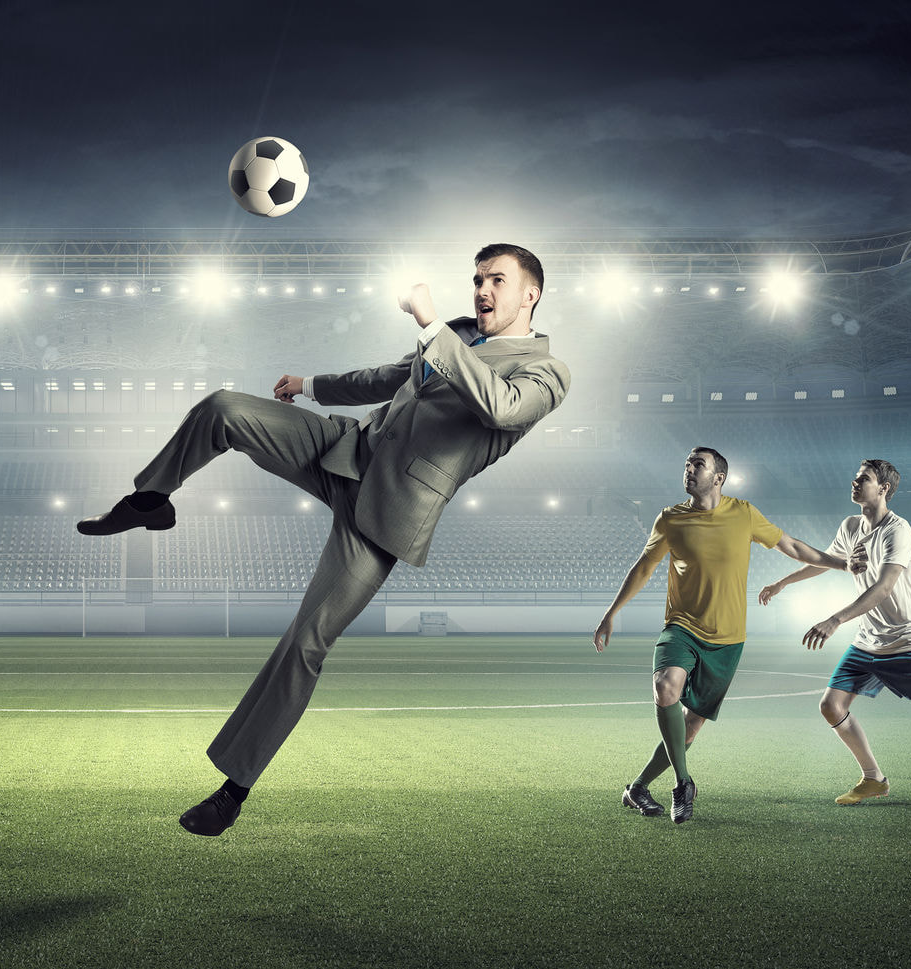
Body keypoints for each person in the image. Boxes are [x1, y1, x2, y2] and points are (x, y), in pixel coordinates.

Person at [78, 243, 571, 836]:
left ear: (531, 294)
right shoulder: (460, 334)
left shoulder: (545, 374)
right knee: (224, 409)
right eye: (476, 280)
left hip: (388, 513)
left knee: (307, 641)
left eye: (496, 280)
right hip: (343, 449)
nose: (482, 290)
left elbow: (500, 407)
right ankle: (150, 501)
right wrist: (311, 383)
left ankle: (233, 790)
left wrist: (432, 324)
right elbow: (391, 377)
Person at [594, 447, 848, 824]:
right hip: (681, 627)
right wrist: (611, 614)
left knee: (691, 725)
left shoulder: (743, 514)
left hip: (727, 639)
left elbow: (791, 546)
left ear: (718, 478)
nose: (689, 470)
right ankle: (683, 784)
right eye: (686, 464)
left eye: (698, 465)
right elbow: (644, 567)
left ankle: (638, 788)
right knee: (666, 687)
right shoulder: (670, 519)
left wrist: (841, 563)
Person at [758, 460, 911, 809]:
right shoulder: (850, 525)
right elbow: (824, 561)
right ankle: (873, 780)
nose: (854, 481)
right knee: (830, 705)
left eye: (863, 478)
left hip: (904, 637)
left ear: (883, 488)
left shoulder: (899, 531)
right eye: (855, 477)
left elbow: (883, 588)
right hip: (868, 639)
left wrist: (834, 620)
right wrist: (781, 583)